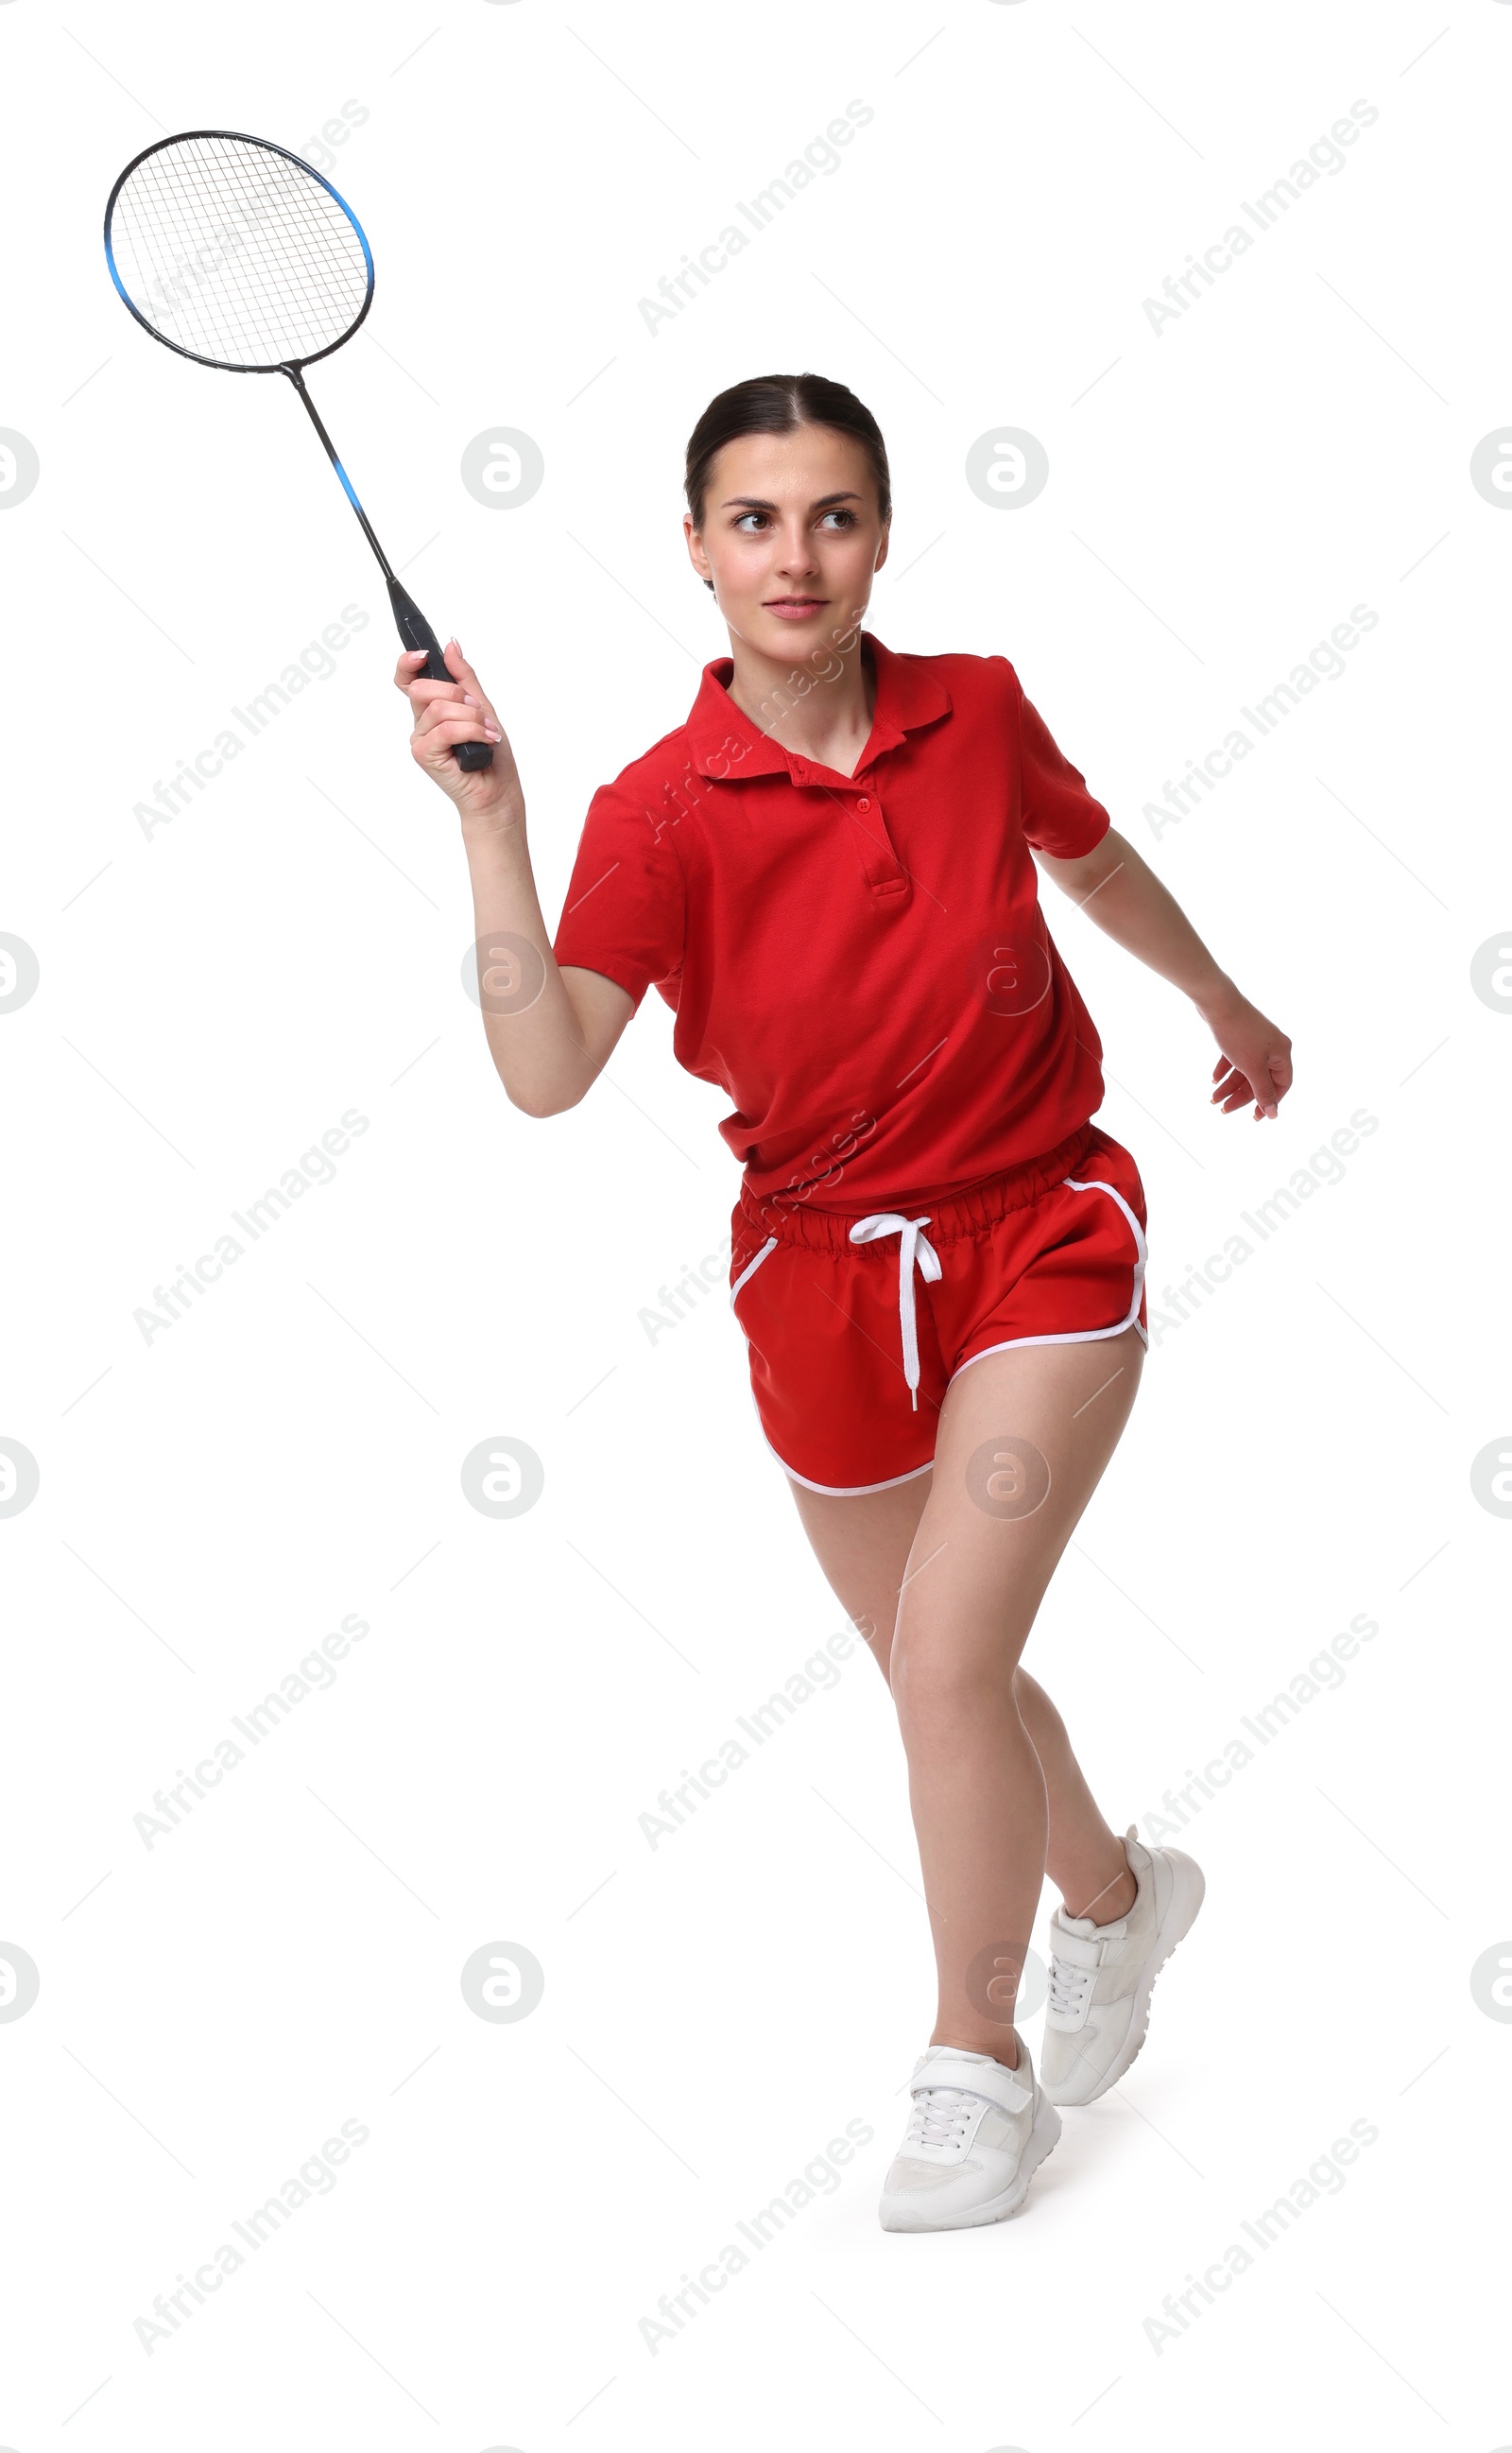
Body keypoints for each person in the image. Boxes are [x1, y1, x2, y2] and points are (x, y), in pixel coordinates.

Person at [396, 372, 1293, 2233]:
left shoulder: (971, 707)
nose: (793, 556)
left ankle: (977, 2061)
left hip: (1040, 1227)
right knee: (931, 1667)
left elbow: (1089, 853)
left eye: (830, 515)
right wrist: (495, 822)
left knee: (947, 1656)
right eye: (752, 518)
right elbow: (547, 1066)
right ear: (695, 545)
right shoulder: (655, 810)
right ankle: (1118, 1901)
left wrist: (1217, 996)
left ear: (881, 530)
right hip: (815, 1271)